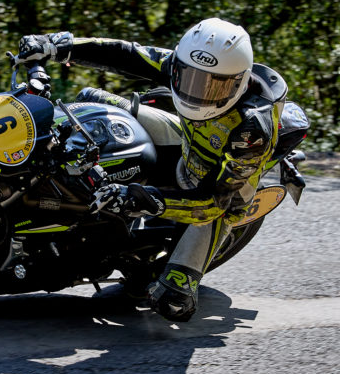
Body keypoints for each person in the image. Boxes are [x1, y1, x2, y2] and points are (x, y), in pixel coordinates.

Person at [17, 18, 287, 322]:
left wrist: (146, 199)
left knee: (172, 303)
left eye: (213, 86)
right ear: (180, 65)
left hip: (219, 198)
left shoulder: (252, 132)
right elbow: (125, 54)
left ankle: (166, 274)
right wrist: (57, 45)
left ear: (239, 83)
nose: (197, 92)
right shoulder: (181, 66)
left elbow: (212, 203)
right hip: (188, 141)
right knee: (91, 100)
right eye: (190, 79)